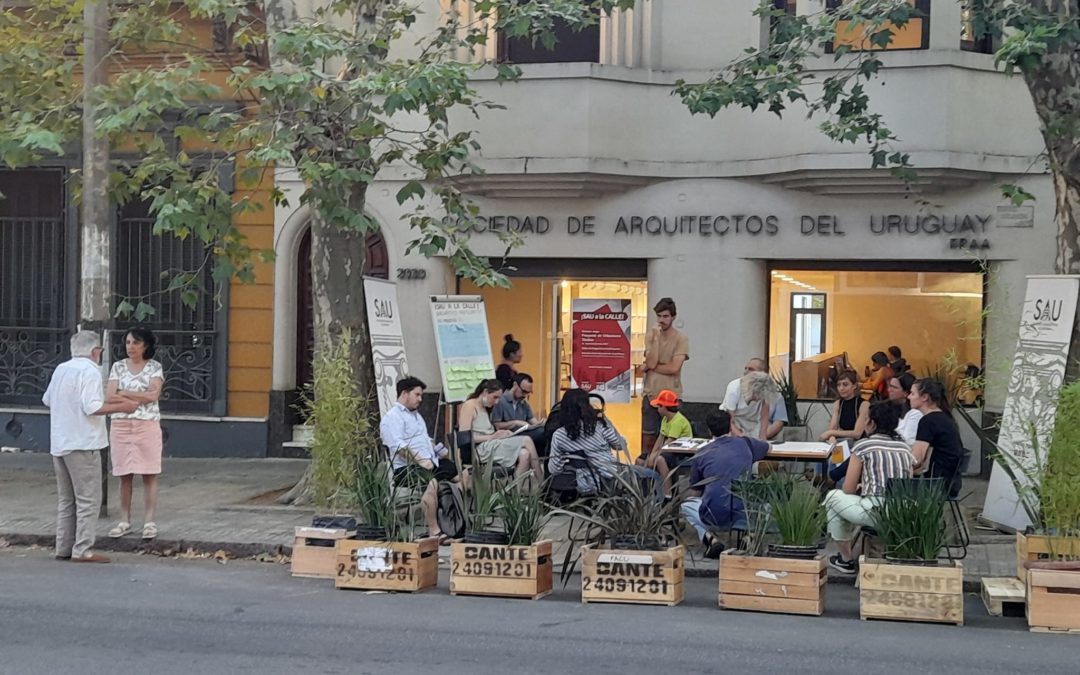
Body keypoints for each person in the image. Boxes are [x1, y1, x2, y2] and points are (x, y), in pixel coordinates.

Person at [42, 330, 139, 563]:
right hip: (84, 443)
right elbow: (92, 406)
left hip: (60, 442)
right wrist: (122, 408)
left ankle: (63, 547)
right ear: (96, 352)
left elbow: (47, 400)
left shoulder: (61, 369)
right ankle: (83, 549)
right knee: (88, 500)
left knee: (67, 500)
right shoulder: (91, 371)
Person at [824, 401, 914, 574]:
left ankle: (845, 559)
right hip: (902, 510)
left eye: (865, 419)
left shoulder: (863, 446)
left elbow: (848, 489)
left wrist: (862, 486)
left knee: (833, 497)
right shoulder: (905, 449)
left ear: (871, 423)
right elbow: (906, 482)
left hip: (874, 511)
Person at [680, 410, 770, 559]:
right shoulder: (746, 444)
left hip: (713, 516)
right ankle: (750, 536)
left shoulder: (702, 453)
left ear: (709, 430)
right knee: (766, 506)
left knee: (687, 504)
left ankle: (710, 539)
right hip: (744, 515)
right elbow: (767, 447)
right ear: (730, 426)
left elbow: (695, 492)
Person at [380, 376, 457, 543]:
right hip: (406, 469)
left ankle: (456, 523)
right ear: (404, 394)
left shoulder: (416, 416)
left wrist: (440, 451)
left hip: (431, 461)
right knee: (432, 482)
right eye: (417, 395)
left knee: (461, 475)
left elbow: (426, 439)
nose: (421, 399)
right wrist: (420, 461)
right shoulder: (392, 418)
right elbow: (399, 447)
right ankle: (434, 531)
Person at [106, 327, 165, 541]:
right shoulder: (118, 367)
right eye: (128, 342)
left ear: (145, 346)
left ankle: (149, 521)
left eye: (136, 343)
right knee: (124, 474)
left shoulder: (154, 367)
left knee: (149, 473)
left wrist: (125, 394)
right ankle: (124, 520)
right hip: (121, 424)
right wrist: (134, 398)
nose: (130, 347)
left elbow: (153, 395)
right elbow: (109, 396)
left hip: (147, 424)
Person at [547, 389, 629, 496]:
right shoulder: (600, 426)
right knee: (650, 474)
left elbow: (554, 469)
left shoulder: (559, 435)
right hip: (610, 480)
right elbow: (620, 445)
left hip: (582, 485)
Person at [458, 379, 541, 480]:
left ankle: (515, 491)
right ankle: (541, 478)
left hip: (491, 444)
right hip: (480, 449)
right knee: (526, 440)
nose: (497, 402)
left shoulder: (485, 408)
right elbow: (464, 438)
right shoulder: (470, 406)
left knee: (525, 454)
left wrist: (501, 434)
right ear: (485, 392)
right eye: (495, 397)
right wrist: (492, 437)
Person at [640, 297, 689, 461]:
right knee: (648, 439)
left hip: (671, 396)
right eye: (659, 316)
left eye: (665, 316)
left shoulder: (681, 339)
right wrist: (655, 339)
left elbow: (674, 368)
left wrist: (650, 367)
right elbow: (652, 361)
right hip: (651, 395)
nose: (662, 320)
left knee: (670, 443)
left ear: (673, 317)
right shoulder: (651, 336)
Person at [909, 378, 965, 497]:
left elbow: (916, 460)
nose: (909, 397)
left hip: (936, 485)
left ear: (924, 397)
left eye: (912, 393)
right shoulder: (944, 417)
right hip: (950, 482)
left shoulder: (928, 421)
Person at [639, 389, 693, 495]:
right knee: (640, 460)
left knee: (659, 460)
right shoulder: (665, 419)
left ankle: (668, 493)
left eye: (659, 406)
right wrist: (651, 455)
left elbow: (669, 443)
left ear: (664, 407)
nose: (657, 409)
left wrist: (654, 457)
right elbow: (660, 439)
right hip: (667, 449)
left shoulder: (678, 421)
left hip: (680, 452)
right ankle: (644, 491)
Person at [820, 369, 869, 482]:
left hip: (857, 444)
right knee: (826, 450)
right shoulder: (838, 404)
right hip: (842, 442)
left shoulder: (863, 404)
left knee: (835, 458)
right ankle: (822, 479)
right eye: (839, 385)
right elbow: (832, 428)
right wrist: (832, 438)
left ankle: (832, 481)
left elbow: (857, 433)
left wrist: (832, 433)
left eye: (845, 385)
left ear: (854, 386)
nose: (841, 388)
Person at [491, 372, 547, 457]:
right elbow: (496, 425)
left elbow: (533, 421)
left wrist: (541, 423)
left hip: (523, 433)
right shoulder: (500, 400)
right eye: (523, 391)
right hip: (507, 436)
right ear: (515, 385)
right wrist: (515, 422)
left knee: (545, 431)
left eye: (528, 392)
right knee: (540, 433)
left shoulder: (524, 403)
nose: (525, 395)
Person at [721, 366, 782, 440]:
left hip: (752, 423)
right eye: (756, 397)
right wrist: (741, 436)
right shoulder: (734, 389)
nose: (757, 400)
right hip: (731, 420)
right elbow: (730, 420)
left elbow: (764, 418)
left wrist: (763, 440)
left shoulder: (765, 390)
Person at [886, 372, 922, 445]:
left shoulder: (915, 413)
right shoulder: (888, 407)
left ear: (906, 393)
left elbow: (908, 440)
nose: (889, 390)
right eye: (889, 386)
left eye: (894, 387)